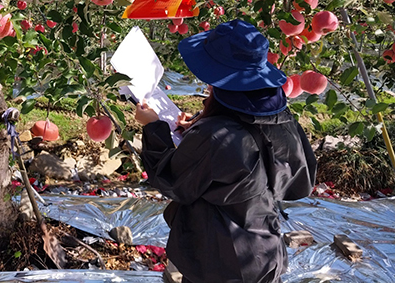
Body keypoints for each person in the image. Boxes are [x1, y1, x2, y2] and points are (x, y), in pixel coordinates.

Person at [135, 19, 317, 283]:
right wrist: (200, 126)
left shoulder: (215, 136)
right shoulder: (281, 120)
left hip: (220, 262)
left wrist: (154, 128)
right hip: (264, 254)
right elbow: (299, 181)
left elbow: (172, 182)